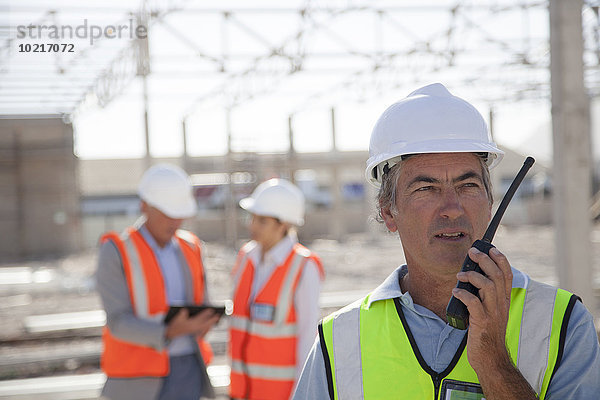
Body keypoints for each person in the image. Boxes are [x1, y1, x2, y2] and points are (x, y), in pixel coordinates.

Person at [293, 83, 600, 399]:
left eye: (467, 185)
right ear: (388, 212)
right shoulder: (339, 341)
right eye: (426, 189)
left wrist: (494, 362)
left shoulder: (562, 324)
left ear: (490, 201)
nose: (452, 209)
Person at [95, 163, 221, 400]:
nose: (174, 221)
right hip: (136, 380)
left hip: (188, 371)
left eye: (179, 214)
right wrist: (169, 331)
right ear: (144, 205)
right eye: (167, 213)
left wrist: (205, 321)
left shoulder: (191, 247)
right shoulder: (116, 250)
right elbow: (118, 321)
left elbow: (202, 302)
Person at [229, 178, 325, 400]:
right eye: (252, 218)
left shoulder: (304, 266)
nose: (252, 226)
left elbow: (307, 339)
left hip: (281, 395)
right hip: (241, 392)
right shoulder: (245, 257)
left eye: (261, 220)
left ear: (284, 225)